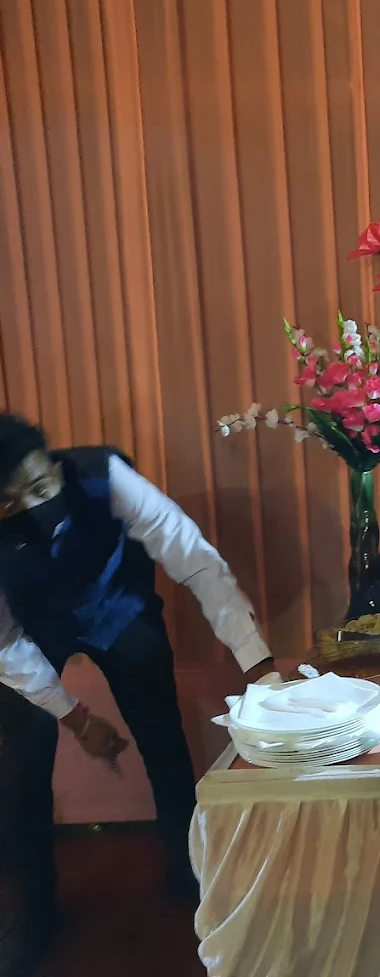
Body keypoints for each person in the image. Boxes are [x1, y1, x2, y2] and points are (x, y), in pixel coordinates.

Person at [0, 413, 275, 966]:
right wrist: (75, 716)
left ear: (54, 464)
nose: (31, 506)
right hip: (32, 628)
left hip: (118, 607)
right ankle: (34, 912)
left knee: (162, 735)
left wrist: (259, 665)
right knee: (22, 762)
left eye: (40, 487)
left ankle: (190, 869)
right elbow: (5, 642)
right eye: (8, 502)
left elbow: (194, 559)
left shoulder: (104, 476)